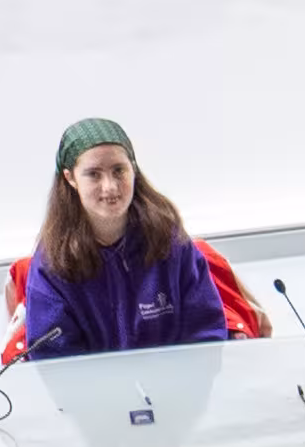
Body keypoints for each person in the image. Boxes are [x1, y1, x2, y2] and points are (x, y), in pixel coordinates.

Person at [14, 118, 256, 359]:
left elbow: (206, 331)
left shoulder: (170, 243)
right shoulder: (52, 265)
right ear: (70, 178)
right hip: (95, 396)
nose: (109, 187)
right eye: (93, 174)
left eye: (118, 170)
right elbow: (54, 362)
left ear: (133, 168)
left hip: (177, 389)